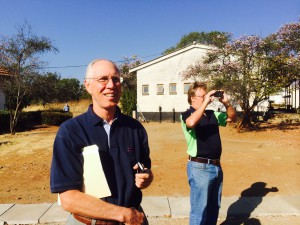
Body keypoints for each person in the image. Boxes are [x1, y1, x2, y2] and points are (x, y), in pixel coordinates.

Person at [50, 59, 153, 225]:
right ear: (87, 86)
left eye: (116, 79)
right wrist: (123, 214)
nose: (111, 85)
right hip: (89, 222)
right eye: (103, 79)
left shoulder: (135, 128)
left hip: (133, 220)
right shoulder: (70, 131)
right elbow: (68, 198)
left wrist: (146, 176)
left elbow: (145, 169)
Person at [180, 81, 237, 225]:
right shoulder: (187, 114)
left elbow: (232, 118)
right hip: (199, 168)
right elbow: (191, 123)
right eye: (202, 96)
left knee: (213, 209)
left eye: (207, 95)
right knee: (200, 212)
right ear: (192, 98)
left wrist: (227, 103)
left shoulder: (212, 114)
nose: (207, 98)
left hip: (216, 167)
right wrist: (205, 103)